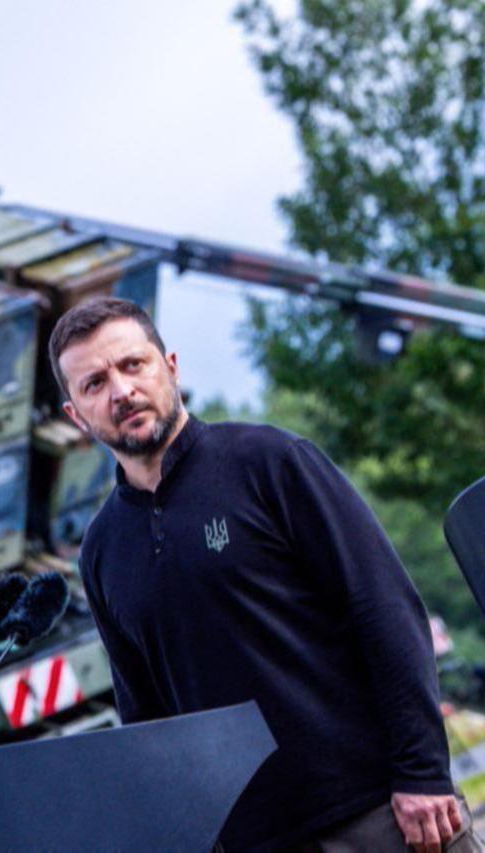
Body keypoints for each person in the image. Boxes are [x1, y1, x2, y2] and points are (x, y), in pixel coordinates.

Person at [48, 296, 477, 852]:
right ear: (76, 416)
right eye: (95, 383)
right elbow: (148, 720)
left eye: (133, 365)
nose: (122, 391)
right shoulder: (103, 551)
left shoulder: (270, 461)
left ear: (170, 366)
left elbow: (385, 610)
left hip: (383, 812)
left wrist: (422, 772)